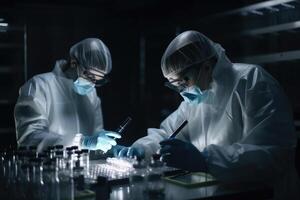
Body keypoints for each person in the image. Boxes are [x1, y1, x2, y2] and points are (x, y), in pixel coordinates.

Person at [115, 31, 299, 198]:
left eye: (184, 80)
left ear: (206, 66)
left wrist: (206, 160)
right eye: (175, 84)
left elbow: (272, 155)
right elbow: (167, 134)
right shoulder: (195, 100)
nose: (182, 90)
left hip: (264, 194)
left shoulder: (251, 82)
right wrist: (141, 149)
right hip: (219, 191)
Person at [14, 38, 121, 152]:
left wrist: (113, 149)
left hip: (83, 167)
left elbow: (95, 134)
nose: (92, 85)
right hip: (47, 167)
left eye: (97, 80)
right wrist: (81, 142)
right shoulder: (39, 86)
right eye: (90, 76)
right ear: (74, 63)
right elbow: (30, 138)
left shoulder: (91, 94)